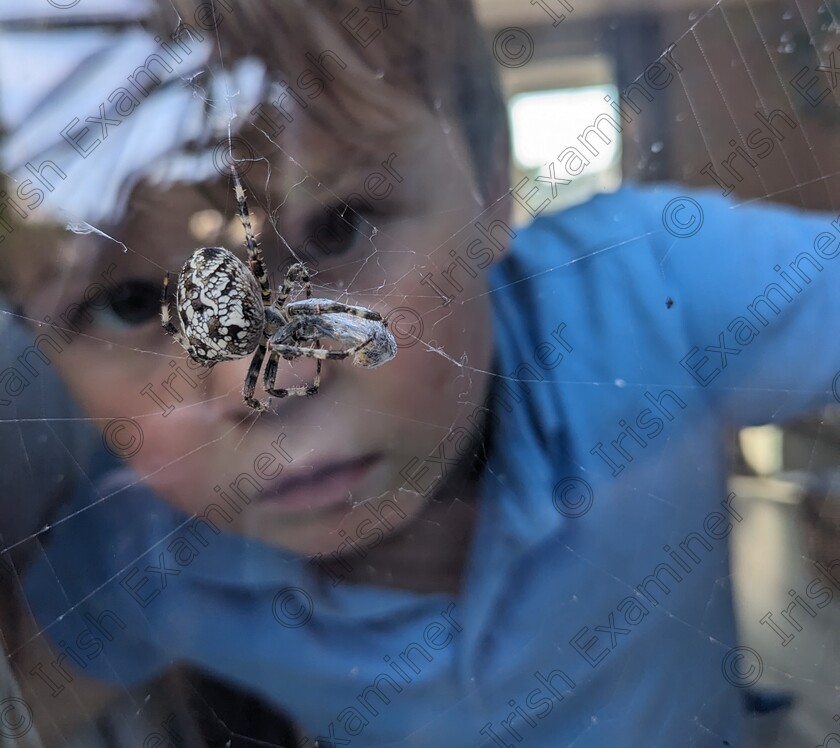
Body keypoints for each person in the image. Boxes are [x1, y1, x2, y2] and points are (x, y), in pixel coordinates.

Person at [1, 0, 839, 745]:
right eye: (133, 299)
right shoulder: (137, 558)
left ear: (491, 187)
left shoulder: (655, 283)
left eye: (336, 229)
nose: (265, 380)